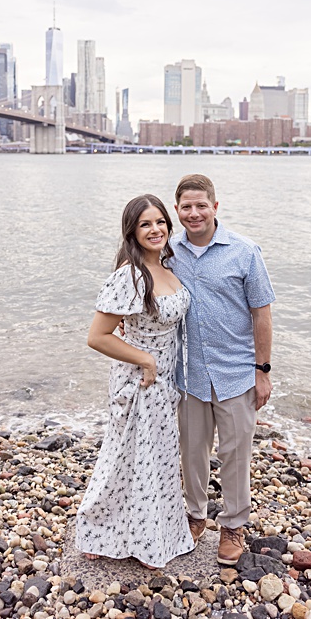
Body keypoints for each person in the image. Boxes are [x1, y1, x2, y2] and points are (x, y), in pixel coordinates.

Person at [73, 194, 196, 571]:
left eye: (160, 222)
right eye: (145, 224)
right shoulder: (129, 276)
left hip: (167, 378)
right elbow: (97, 337)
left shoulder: (168, 268)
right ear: (132, 232)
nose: (155, 229)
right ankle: (96, 528)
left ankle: (154, 532)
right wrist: (145, 359)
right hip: (140, 379)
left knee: (156, 458)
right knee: (125, 454)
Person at [170, 173, 275, 567]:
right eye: (186, 207)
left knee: (235, 454)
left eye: (201, 205)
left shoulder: (245, 252)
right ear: (177, 210)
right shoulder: (169, 251)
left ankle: (233, 524)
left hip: (235, 373)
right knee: (192, 453)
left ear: (215, 207)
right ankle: (195, 516)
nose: (194, 213)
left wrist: (262, 371)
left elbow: (261, 314)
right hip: (189, 374)